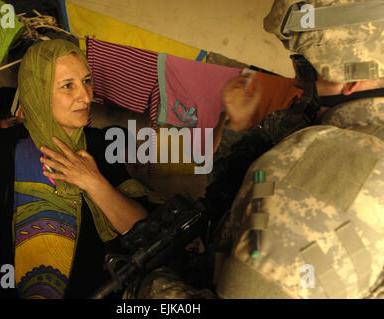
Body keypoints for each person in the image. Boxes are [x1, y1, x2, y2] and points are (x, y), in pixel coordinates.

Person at [135, 0, 384, 299]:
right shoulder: (320, 117)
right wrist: (238, 125)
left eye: (305, 69)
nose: (295, 80)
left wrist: (151, 287)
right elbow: (234, 185)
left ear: (352, 77)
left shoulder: (327, 169)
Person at [0, 38, 155, 298]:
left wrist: (93, 182)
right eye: (67, 86)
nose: (85, 96)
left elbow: (145, 233)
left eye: (86, 81)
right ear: (37, 89)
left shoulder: (101, 147)